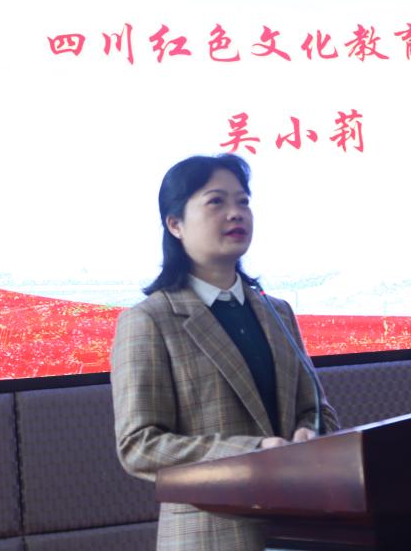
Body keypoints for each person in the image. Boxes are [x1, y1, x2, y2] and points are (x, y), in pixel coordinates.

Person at [111, 153, 339, 551]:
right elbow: (140, 446)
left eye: (243, 201)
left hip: (300, 528)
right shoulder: (150, 320)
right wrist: (253, 453)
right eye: (216, 201)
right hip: (210, 536)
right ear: (175, 224)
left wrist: (311, 434)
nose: (236, 213)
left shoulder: (277, 312)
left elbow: (318, 410)